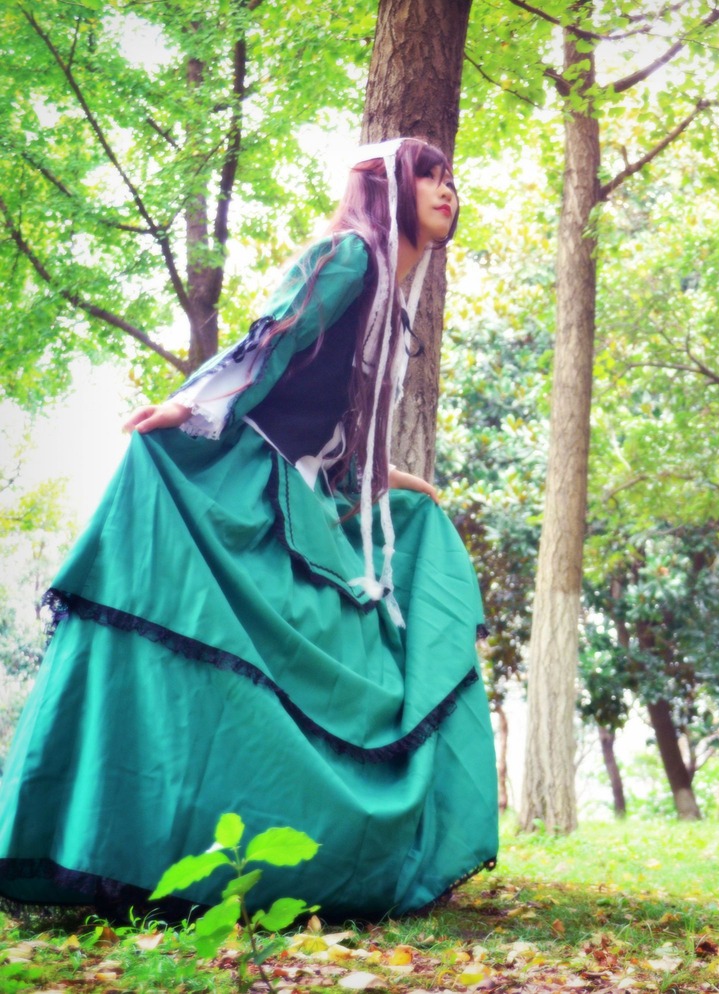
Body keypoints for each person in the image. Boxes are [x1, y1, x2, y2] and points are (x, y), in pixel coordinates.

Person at [0, 138, 498, 919]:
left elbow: (335, 424)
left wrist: (387, 478)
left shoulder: (391, 302)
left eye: (451, 178)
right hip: (249, 478)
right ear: (392, 187)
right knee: (205, 643)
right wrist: (189, 407)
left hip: (301, 488)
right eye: (430, 174)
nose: (447, 188)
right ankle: (128, 843)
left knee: (414, 529)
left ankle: (342, 845)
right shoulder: (346, 257)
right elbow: (274, 337)